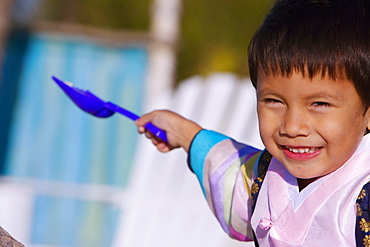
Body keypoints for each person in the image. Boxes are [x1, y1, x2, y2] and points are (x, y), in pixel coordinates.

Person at [135, 0, 370, 246]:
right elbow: (233, 176)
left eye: (319, 104)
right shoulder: (267, 175)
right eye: (273, 101)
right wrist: (184, 133)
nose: (292, 126)